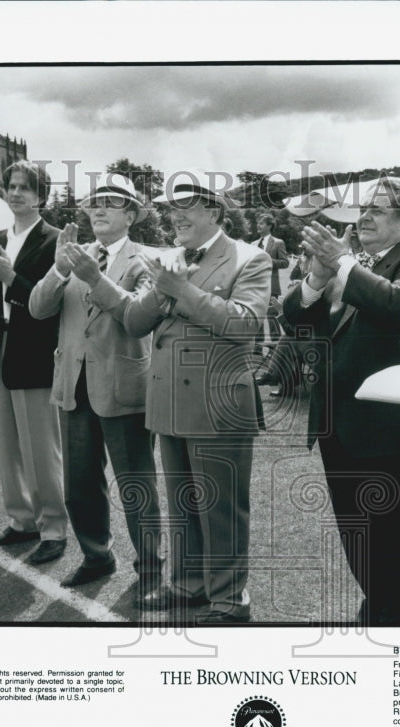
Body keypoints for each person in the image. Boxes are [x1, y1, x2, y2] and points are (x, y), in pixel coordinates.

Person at [284, 177, 400, 626]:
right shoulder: (349, 266)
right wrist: (318, 279)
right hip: (340, 430)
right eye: (364, 209)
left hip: (397, 436)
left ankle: (398, 630)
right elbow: (299, 327)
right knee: (360, 545)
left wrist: (341, 265)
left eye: (378, 210)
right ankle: (378, 611)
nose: (365, 217)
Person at [123, 174, 271, 623]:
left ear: (215, 212)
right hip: (169, 401)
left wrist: (181, 291)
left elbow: (245, 324)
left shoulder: (251, 257)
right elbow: (133, 323)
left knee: (221, 508)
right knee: (183, 503)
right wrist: (163, 291)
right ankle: (189, 587)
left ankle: (229, 601)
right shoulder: (168, 259)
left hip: (217, 404)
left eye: (187, 205)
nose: (176, 215)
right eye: (171, 208)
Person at [28, 174, 163, 593]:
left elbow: (139, 316)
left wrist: (93, 276)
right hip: (73, 383)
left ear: (132, 215)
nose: (99, 209)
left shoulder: (149, 260)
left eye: (111, 202)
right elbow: (37, 308)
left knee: (136, 482)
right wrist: (58, 269)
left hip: (124, 387)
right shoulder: (73, 255)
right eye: (94, 202)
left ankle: (151, 568)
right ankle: (97, 555)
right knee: (80, 482)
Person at [0, 160, 68, 565]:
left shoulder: (56, 240)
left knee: (41, 447)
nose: (15, 193)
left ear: (40, 196)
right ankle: (21, 520)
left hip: (36, 350)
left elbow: (51, 303)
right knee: (7, 444)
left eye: (25, 188)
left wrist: (9, 277)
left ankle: (54, 527)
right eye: (10, 186)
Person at [252, 213, 290, 353]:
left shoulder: (278, 243)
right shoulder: (254, 244)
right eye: (258, 223)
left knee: (271, 317)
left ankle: (276, 349)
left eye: (261, 223)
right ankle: (257, 347)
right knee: (257, 316)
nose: (258, 226)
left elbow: (285, 262)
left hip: (271, 287)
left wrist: (267, 260)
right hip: (255, 286)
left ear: (269, 225)